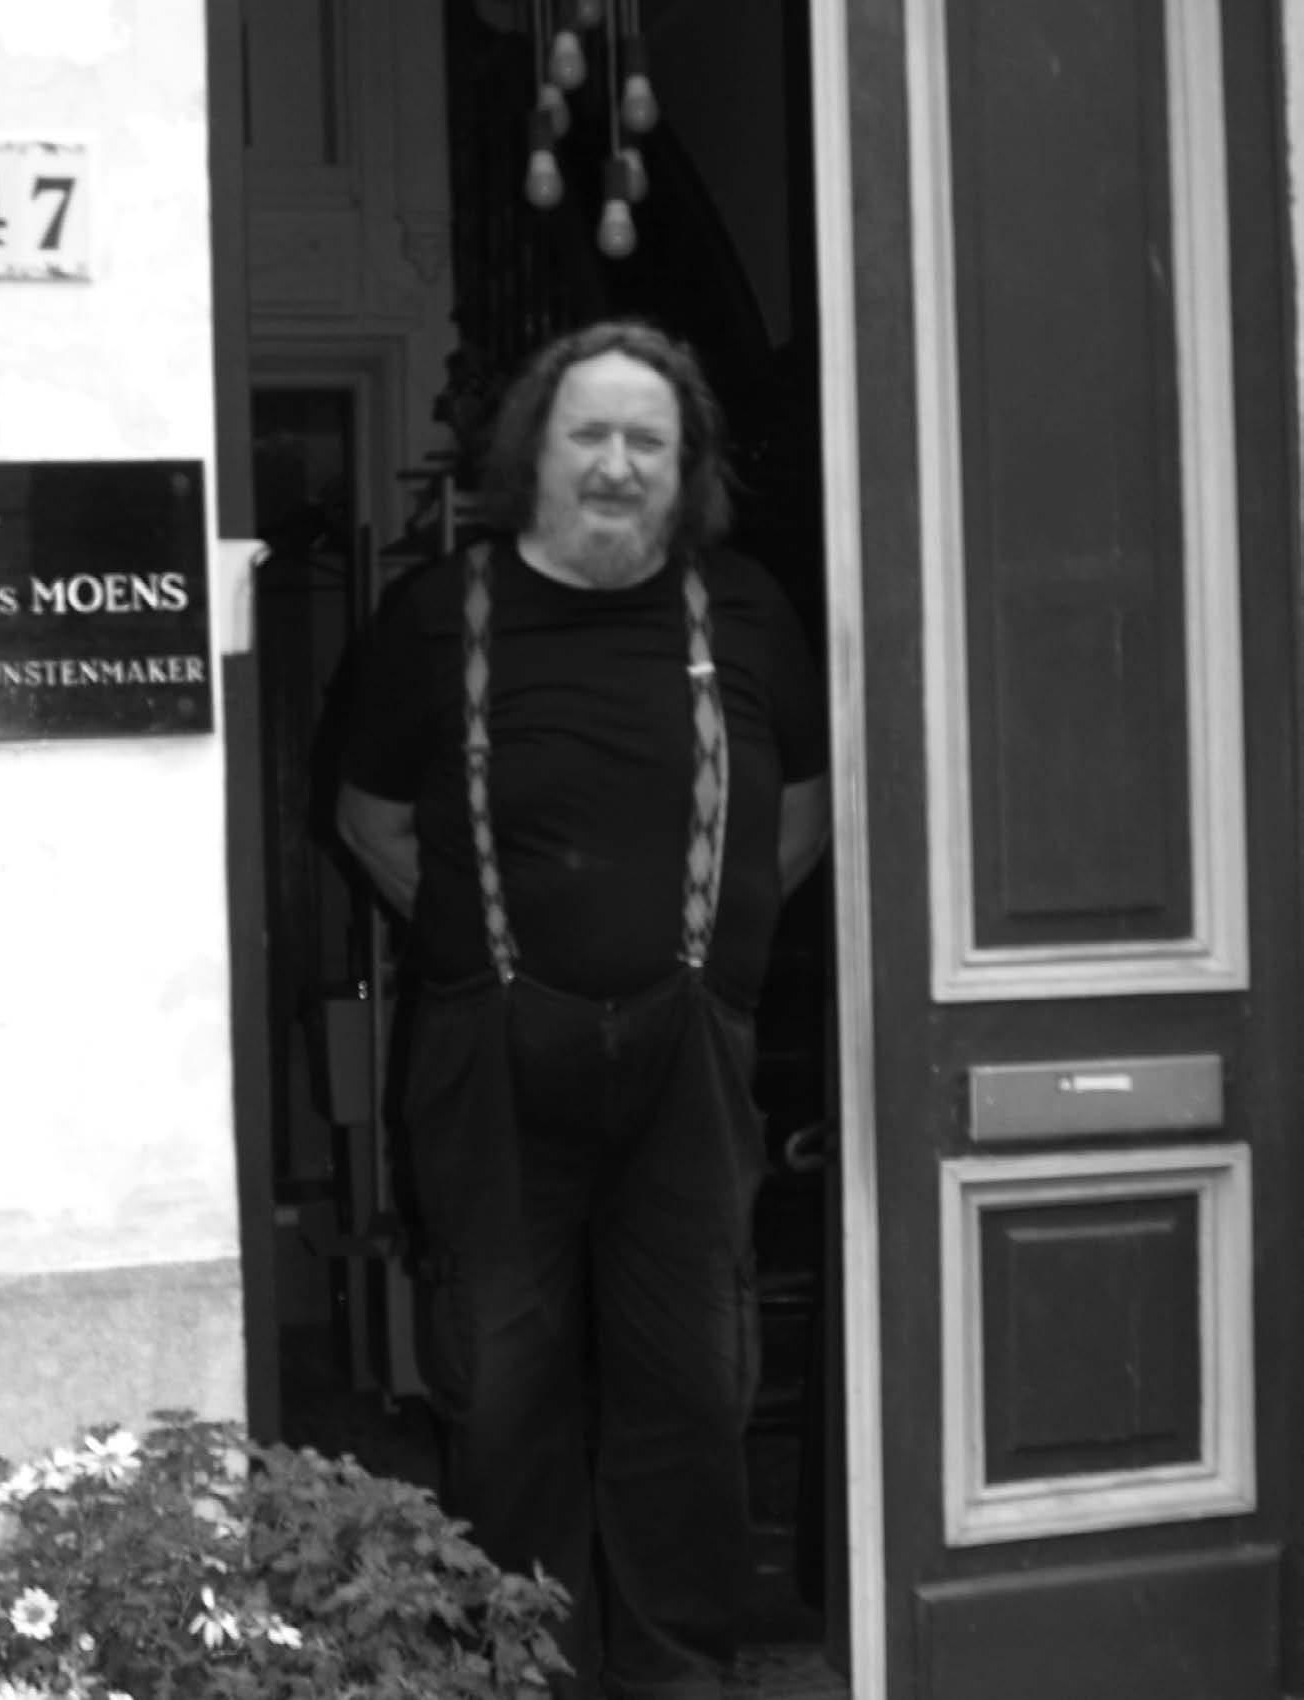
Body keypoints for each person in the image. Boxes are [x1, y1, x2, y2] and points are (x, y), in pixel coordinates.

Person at [336, 320, 830, 1700]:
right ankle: (522, 1670)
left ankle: (679, 1673)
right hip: (491, 1053)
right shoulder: (434, 617)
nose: (618, 464)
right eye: (590, 434)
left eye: (648, 441)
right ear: (534, 453)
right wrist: (490, 946)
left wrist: (705, 948)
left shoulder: (746, 611)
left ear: (687, 465)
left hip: (691, 1057)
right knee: (503, 1392)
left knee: (695, 1386)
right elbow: (370, 822)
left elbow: (798, 819)